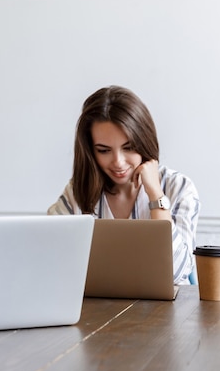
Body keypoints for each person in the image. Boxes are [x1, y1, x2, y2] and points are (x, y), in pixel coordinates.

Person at [47, 85, 199, 284]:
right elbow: (49, 257)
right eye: (103, 150)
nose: (118, 162)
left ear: (144, 141)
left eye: (128, 148)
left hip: (166, 313)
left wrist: (155, 195)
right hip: (100, 311)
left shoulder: (178, 187)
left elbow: (175, 273)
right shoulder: (78, 190)